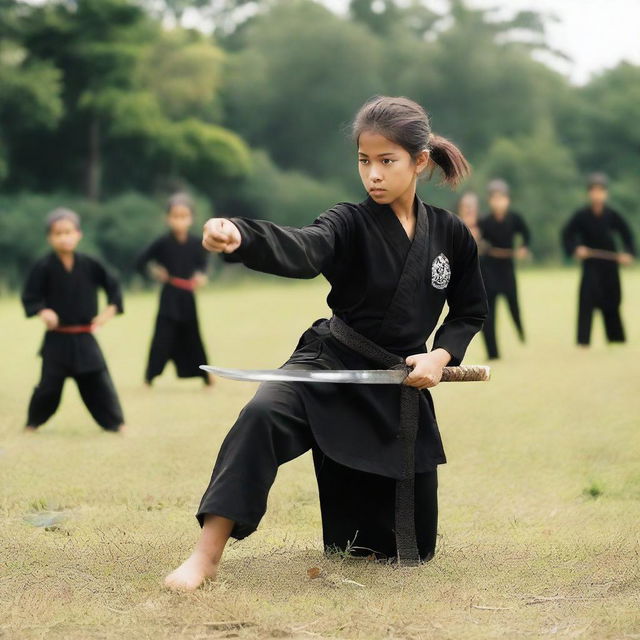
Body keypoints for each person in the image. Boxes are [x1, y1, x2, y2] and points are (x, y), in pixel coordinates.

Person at [164, 96, 488, 591]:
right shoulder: (349, 222)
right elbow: (305, 246)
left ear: (419, 162)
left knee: (402, 551)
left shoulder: (450, 234)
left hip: (394, 387)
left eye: (387, 161)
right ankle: (204, 558)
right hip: (328, 362)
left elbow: (469, 312)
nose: (373, 175)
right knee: (262, 414)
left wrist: (439, 356)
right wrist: (242, 236)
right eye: (364, 161)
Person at [22, 208, 126, 433]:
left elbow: (113, 285)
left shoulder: (90, 263)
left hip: (85, 337)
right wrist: (43, 312)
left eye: (68, 232)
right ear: (50, 237)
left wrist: (109, 311)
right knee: (48, 386)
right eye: (58, 233)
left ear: (78, 234)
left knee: (99, 383)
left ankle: (116, 424)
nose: (64, 237)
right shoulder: (43, 266)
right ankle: (32, 424)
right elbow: (31, 297)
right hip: (57, 339)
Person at [135, 193, 214, 387]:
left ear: (191, 218)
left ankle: (206, 377)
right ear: (168, 218)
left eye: (183, 216)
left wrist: (201, 276)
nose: (179, 221)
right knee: (162, 336)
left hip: (187, 297)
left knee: (193, 336)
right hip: (169, 297)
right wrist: (155, 272)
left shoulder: (198, 243)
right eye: (175, 216)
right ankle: (149, 378)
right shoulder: (161, 243)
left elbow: (203, 266)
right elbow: (140, 262)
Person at [561, 173, 635, 346]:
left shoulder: (612, 215)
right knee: (587, 301)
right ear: (589, 194)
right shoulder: (581, 215)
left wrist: (628, 253)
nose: (597, 195)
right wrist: (576, 249)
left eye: (601, 191)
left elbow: (627, 235)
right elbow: (567, 235)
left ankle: (616, 339)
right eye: (594, 191)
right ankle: (583, 341)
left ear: (606, 193)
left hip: (610, 266)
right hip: (591, 264)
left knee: (612, 300)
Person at [478, 179, 531, 360]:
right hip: (489, 271)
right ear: (490, 201)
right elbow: (477, 241)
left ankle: (521, 332)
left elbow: (526, 235)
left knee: (513, 306)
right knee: (489, 314)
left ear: (507, 200)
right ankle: (493, 353)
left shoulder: (514, 218)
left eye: (501, 198)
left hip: (507, 270)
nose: (498, 202)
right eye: (494, 198)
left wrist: (524, 247)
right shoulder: (484, 221)